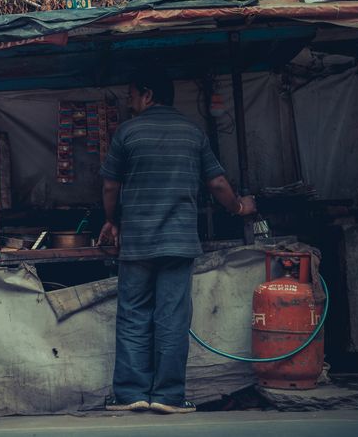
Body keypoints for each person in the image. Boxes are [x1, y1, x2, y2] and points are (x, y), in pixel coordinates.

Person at [98, 71, 256, 415]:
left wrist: (112, 220)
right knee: (171, 318)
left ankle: (130, 395)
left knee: (133, 316)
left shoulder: (127, 132)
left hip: (137, 241)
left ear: (148, 94)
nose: (129, 100)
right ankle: (168, 397)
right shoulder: (193, 132)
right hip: (179, 241)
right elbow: (217, 183)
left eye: (131, 93)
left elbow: (110, 186)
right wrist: (241, 206)